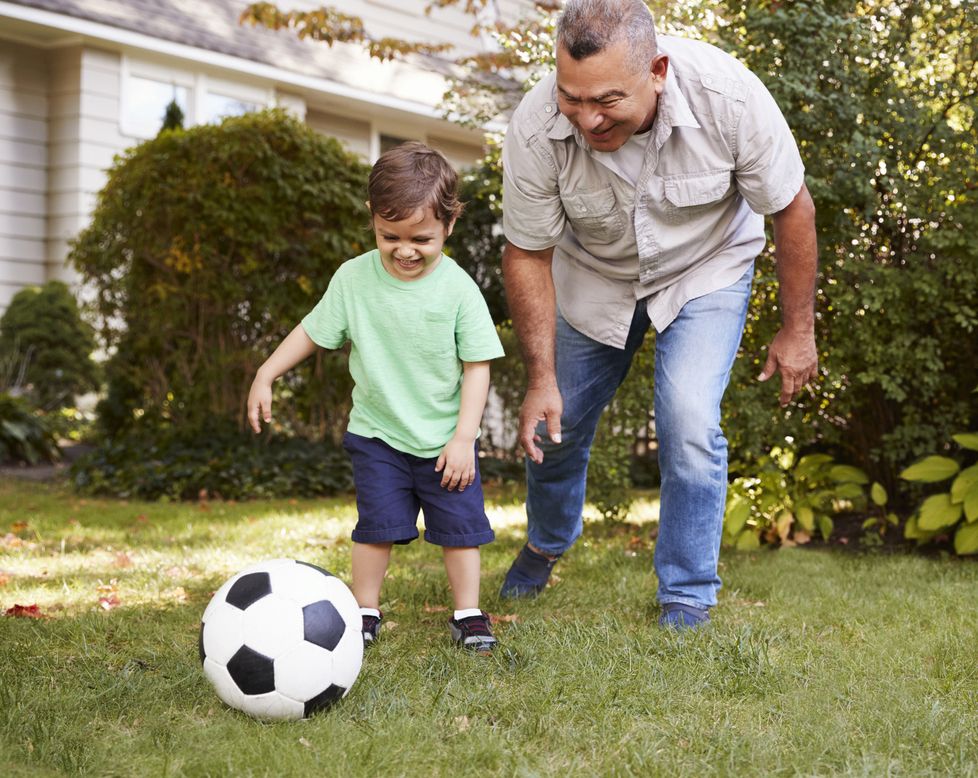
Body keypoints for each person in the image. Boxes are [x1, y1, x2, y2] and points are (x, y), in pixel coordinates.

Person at [498, 0, 818, 627]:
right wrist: (541, 378)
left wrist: (796, 329)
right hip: (594, 277)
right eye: (572, 97)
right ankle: (546, 542)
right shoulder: (536, 127)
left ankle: (686, 594)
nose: (588, 119)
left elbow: (791, 209)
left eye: (608, 101)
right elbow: (527, 253)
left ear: (658, 70)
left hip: (707, 269)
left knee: (691, 421)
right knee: (551, 429)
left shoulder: (729, 97)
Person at [247, 141, 505, 652]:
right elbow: (312, 331)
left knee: (460, 530)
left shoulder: (458, 289)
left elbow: (477, 367)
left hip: (444, 440)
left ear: (449, 226)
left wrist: (463, 437)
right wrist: (266, 372)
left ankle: (469, 613)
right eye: (391, 236)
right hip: (377, 434)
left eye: (422, 239)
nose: (405, 250)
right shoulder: (353, 278)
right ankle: (363, 611)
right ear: (372, 220)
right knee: (375, 528)